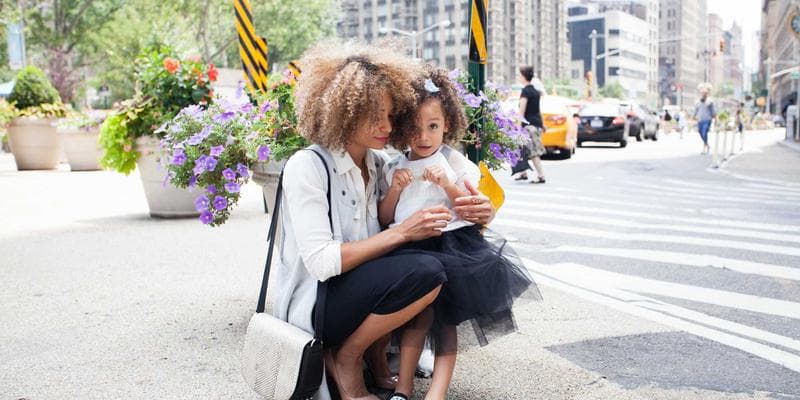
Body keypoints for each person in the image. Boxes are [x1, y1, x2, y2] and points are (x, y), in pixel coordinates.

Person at [270, 42, 497, 400]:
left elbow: (453, 197)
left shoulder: (378, 165)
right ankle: (346, 357)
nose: (386, 126)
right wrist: (405, 232)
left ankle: (376, 358)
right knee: (424, 269)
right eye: (375, 115)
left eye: (392, 115)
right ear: (344, 112)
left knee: (433, 265)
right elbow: (323, 262)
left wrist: (483, 211)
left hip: (358, 293)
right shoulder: (308, 166)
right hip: (318, 303)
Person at [378, 66, 540, 400]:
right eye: (415, 128)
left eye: (433, 127)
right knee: (416, 320)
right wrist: (394, 190)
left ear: (447, 125)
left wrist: (448, 184)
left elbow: (469, 206)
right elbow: (385, 216)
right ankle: (403, 388)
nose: (424, 137)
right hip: (411, 249)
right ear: (402, 128)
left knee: (445, 325)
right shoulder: (395, 166)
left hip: (452, 249)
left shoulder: (455, 161)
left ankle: (436, 393)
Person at [515, 66, 547, 183]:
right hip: (536, 124)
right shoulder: (535, 91)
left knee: (533, 152)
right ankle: (523, 173)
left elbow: (521, 112)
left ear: (523, 77)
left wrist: (518, 128)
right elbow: (538, 110)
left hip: (529, 127)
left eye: (519, 75)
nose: (518, 77)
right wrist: (542, 125)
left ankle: (541, 175)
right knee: (522, 148)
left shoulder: (526, 92)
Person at [693, 89, 716, 154]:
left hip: (707, 120)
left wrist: (715, 119)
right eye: (702, 93)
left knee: (704, 132)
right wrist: (693, 117)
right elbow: (695, 111)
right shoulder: (697, 102)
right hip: (700, 120)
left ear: (707, 94)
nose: (703, 95)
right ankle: (707, 144)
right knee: (700, 132)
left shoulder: (710, 102)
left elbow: (713, 111)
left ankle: (705, 146)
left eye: (705, 93)